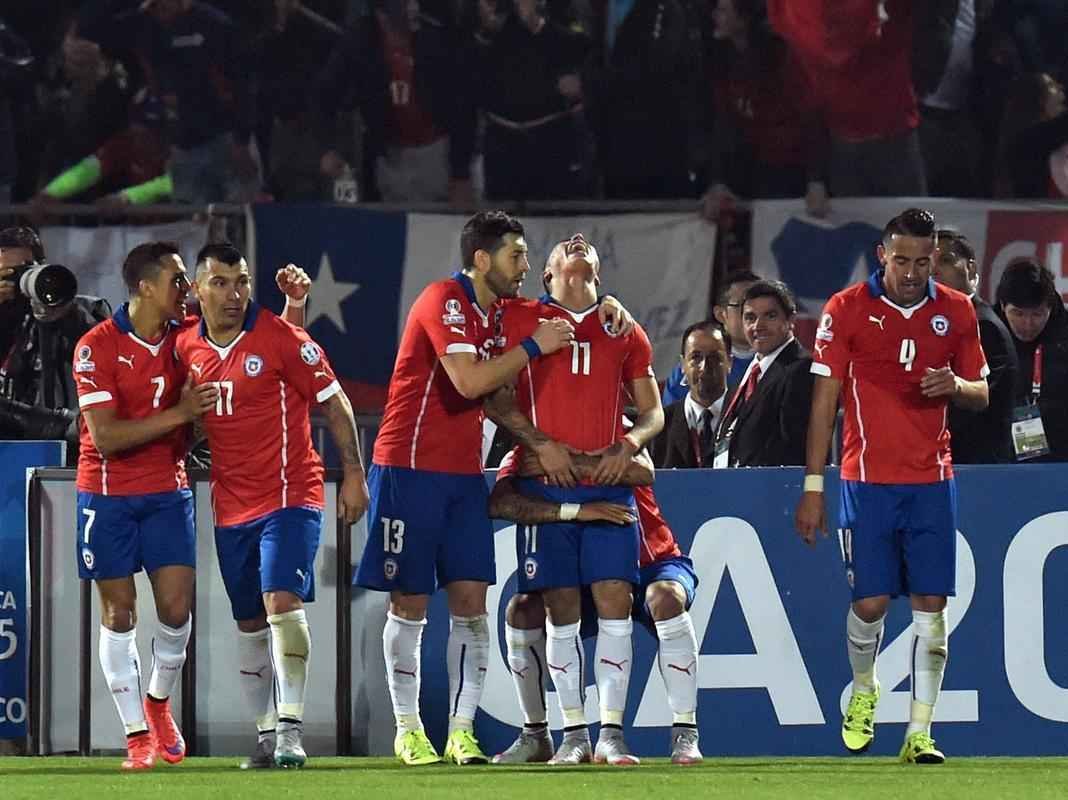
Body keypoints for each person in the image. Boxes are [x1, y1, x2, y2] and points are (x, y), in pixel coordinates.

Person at [73, 242, 314, 771]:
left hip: (167, 490)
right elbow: (107, 437)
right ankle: (137, 735)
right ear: (144, 287)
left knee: (176, 613)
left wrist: (294, 306)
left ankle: (157, 702)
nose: (186, 289)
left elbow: (270, 348)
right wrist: (181, 413)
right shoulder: (95, 347)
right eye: (176, 279)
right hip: (106, 493)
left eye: (187, 279)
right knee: (119, 613)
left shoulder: (184, 338)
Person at [353, 211, 579, 767]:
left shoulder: (502, 311)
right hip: (407, 469)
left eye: (527, 257)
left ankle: (461, 731)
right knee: (408, 604)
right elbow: (469, 381)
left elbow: (571, 313)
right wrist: (533, 349)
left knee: (472, 606)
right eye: (516, 256)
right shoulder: (443, 300)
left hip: (461, 476)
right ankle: (408, 731)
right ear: (482, 259)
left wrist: (612, 311)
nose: (526, 267)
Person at [795, 208, 989, 765]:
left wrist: (956, 384)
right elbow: (824, 402)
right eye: (900, 259)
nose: (909, 271)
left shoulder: (955, 311)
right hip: (867, 479)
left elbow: (982, 391)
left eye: (921, 261)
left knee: (932, 605)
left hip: (932, 479)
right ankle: (864, 688)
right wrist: (814, 485)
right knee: (872, 603)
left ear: (935, 258)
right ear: (882, 254)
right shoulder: (847, 309)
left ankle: (919, 733)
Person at [175, 242, 368, 770]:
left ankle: (290, 730)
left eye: (240, 281)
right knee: (248, 623)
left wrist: (353, 472)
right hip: (229, 501)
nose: (233, 293)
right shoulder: (185, 347)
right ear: (197, 289)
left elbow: (335, 401)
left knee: (282, 600)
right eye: (219, 282)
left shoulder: (282, 337)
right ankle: (264, 736)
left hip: (290, 493)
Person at [486, 233, 663, 765]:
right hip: (549, 483)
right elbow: (493, 398)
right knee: (559, 608)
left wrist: (628, 444)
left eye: (586, 250)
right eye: (565, 247)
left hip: (608, 484)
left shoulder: (623, 328)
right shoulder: (521, 320)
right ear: (547, 276)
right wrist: (540, 444)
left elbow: (654, 413)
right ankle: (573, 735)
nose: (578, 242)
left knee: (616, 600)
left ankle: (611, 734)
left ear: (600, 278)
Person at [489, 446, 702, 764]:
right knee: (523, 610)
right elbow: (500, 503)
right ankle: (537, 735)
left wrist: (576, 462)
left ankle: (684, 733)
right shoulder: (524, 454)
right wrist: (571, 509)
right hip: (589, 574)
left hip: (651, 563)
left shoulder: (618, 435)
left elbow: (644, 469)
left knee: (667, 598)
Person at [0, 226, 110, 460]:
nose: (15, 281)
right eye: (6, 274)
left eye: (23, 270)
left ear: (41, 266)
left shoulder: (85, 310)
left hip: (73, 445)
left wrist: (62, 310)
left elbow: (105, 351)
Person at [932, 230, 1017, 463]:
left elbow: (971, 408)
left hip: (977, 470)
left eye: (946, 261)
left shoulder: (984, 326)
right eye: (927, 261)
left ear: (970, 268)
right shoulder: (938, 322)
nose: (934, 270)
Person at [714, 280, 813, 468]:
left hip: (772, 491)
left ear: (791, 320)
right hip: (731, 487)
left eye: (770, 316)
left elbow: (797, 451)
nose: (758, 326)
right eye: (750, 318)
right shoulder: (747, 375)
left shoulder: (801, 369)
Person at [994, 257, 1068, 461]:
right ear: (1002, 306)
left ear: (1050, 307)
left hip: (1060, 458)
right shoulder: (985, 335)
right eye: (1017, 313)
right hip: (997, 458)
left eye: (1037, 314)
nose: (1027, 324)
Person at [662, 271, 759, 405]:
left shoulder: (783, 364)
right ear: (720, 314)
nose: (752, 314)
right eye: (743, 306)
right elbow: (673, 421)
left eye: (761, 307)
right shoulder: (693, 368)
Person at [652, 320, 731, 468]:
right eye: (696, 357)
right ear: (682, 364)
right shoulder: (659, 427)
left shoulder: (746, 417)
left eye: (715, 357)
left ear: (729, 362)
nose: (704, 366)